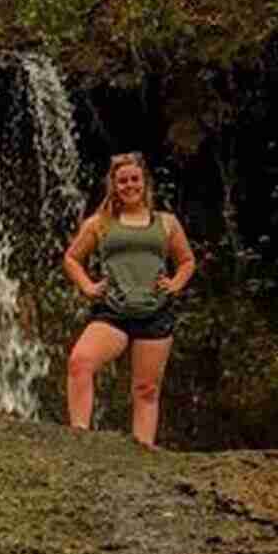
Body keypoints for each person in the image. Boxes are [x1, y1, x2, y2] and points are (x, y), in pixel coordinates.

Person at [62, 151, 196, 448]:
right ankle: (78, 437)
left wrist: (175, 284)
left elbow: (187, 260)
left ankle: (143, 451)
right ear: (114, 185)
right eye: (122, 181)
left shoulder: (166, 223)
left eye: (134, 179)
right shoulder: (100, 223)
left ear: (144, 182)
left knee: (146, 389)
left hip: (155, 312)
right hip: (114, 312)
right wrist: (87, 286)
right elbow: (72, 258)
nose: (129, 185)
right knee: (80, 362)